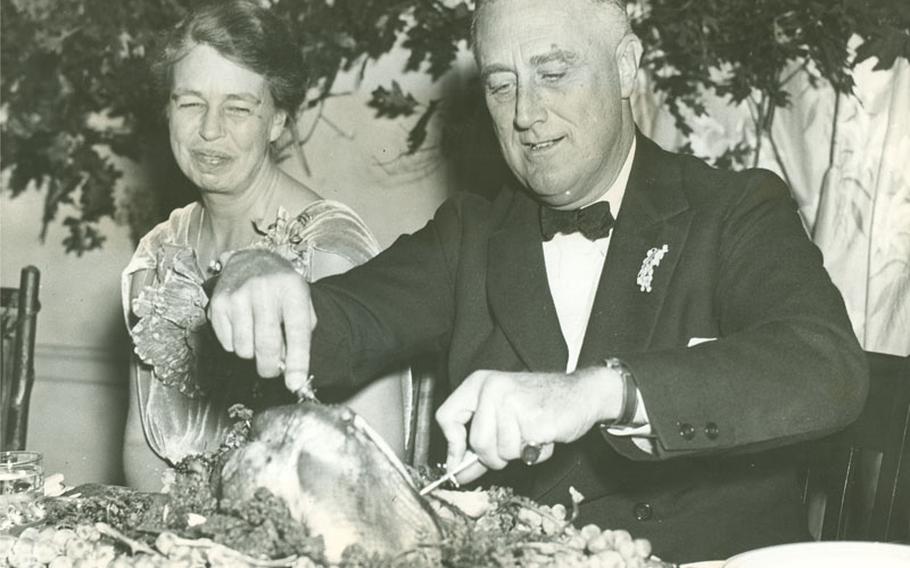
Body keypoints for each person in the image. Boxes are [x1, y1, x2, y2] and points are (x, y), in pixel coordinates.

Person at [208, 0, 869, 562]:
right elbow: (344, 321)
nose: (525, 113)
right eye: (502, 85)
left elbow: (826, 366)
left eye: (553, 73)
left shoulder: (734, 209)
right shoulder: (471, 233)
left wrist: (601, 391)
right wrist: (258, 272)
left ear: (626, 68)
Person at [120, 0, 406, 491]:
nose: (210, 130)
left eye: (238, 107)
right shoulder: (156, 258)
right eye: (190, 102)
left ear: (277, 121)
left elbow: (372, 472)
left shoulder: (329, 250)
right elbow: (140, 449)